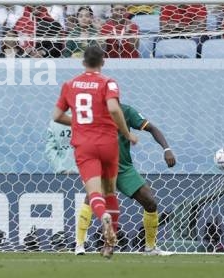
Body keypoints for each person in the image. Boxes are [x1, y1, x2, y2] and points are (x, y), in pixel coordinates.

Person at [51, 45, 139, 258]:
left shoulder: (69, 84)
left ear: (83, 62)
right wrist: (127, 134)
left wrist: (81, 122)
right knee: (110, 192)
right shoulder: (108, 82)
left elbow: (56, 116)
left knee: (95, 194)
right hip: (109, 144)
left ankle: (104, 218)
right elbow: (114, 109)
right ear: (103, 61)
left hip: (85, 145)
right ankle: (110, 245)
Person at [74, 103, 176, 255]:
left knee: (150, 202)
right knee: (91, 197)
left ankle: (150, 248)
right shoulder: (92, 112)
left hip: (124, 168)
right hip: (101, 165)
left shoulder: (126, 111)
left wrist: (167, 149)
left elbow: (152, 128)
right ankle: (79, 244)